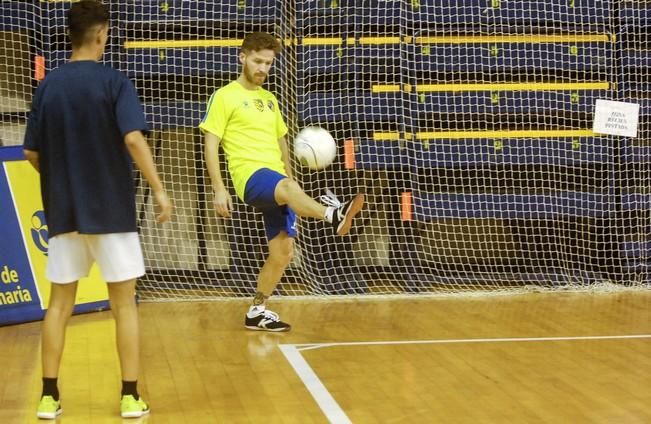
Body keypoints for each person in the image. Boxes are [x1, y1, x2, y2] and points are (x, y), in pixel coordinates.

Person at [22, 1, 172, 419]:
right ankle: (129, 396)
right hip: (112, 212)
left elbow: (32, 151)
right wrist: (159, 191)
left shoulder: (47, 86)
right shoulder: (114, 81)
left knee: (58, 305)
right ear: (102, 34)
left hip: (65, 212)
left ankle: (49, 398)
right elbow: (135, 140)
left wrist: (61, 175)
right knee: (124, 304)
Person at [200, 32, 364, 332]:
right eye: (258, 61)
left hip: (278, 180)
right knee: (289, 190)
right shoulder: (225, 96)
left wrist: (291, 180)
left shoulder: (270, 100)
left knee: (282, 254)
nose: (263, 68)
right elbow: (210, 144)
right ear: (243, 57)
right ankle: (333, 214)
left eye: (268, 63)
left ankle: (257, 310)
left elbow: (282, 142)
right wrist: (219, 188)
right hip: (249, 177)